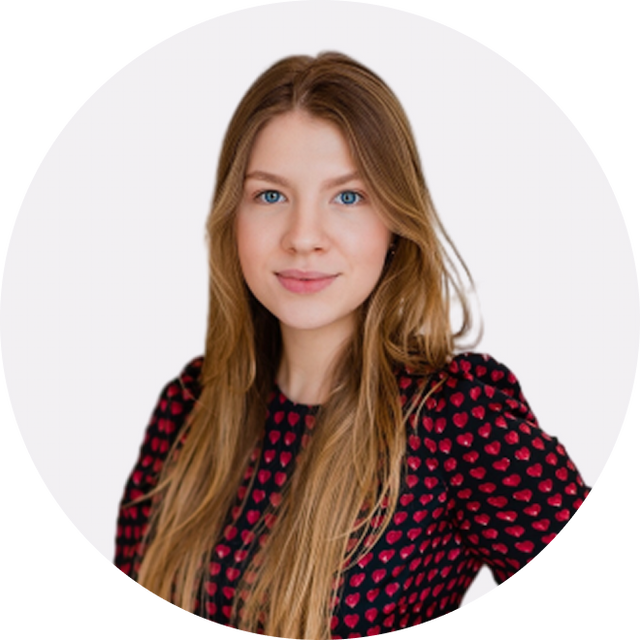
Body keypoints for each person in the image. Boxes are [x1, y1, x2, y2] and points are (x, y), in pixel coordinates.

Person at [114, 52, 591, 640]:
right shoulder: (189, 406)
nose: (303, 238)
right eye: (270, 196)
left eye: (348, 197)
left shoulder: (456, 417)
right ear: (230, 216)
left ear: (395, 221)